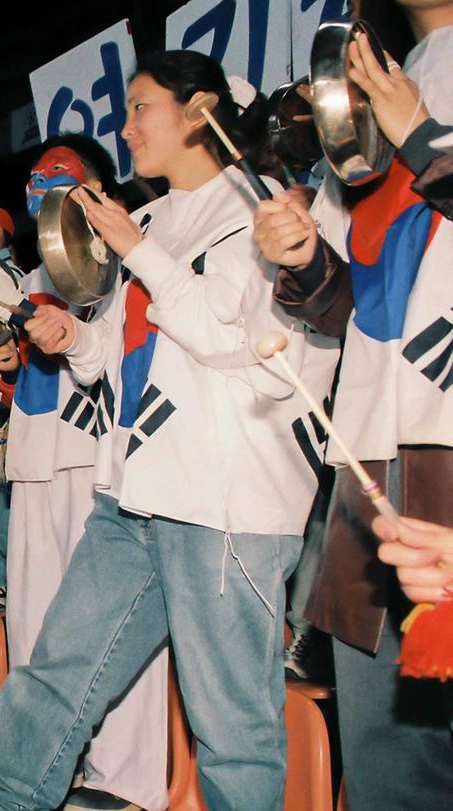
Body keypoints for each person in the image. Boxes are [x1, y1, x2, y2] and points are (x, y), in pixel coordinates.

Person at [0, 51, 338, 811]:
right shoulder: (141, 220)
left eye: (142, 106)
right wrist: (69, 338)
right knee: (60, 662)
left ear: (199, 110)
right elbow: (112, 356)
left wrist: (139, 252)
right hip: (135, 488)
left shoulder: (263, 208)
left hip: (225, 500)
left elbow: (230, 335)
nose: (126, 124)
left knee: (231, 717)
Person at [253, 7, 453, 805]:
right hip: (371, 442)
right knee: (386, 755)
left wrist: (429, 144)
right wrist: (305, 259)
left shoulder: (397, 102)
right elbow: (353, 305)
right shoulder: (359, 95)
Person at [0, 134, 170, 811]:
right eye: (35, 188)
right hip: (34, 458)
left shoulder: (127, 255)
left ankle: (125, 780)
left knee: (112, 622)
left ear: (102, 192)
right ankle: (41, 770)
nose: (45, 197)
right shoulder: (26, 274)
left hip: (98, 455)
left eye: (61, 183)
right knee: (37, 630)